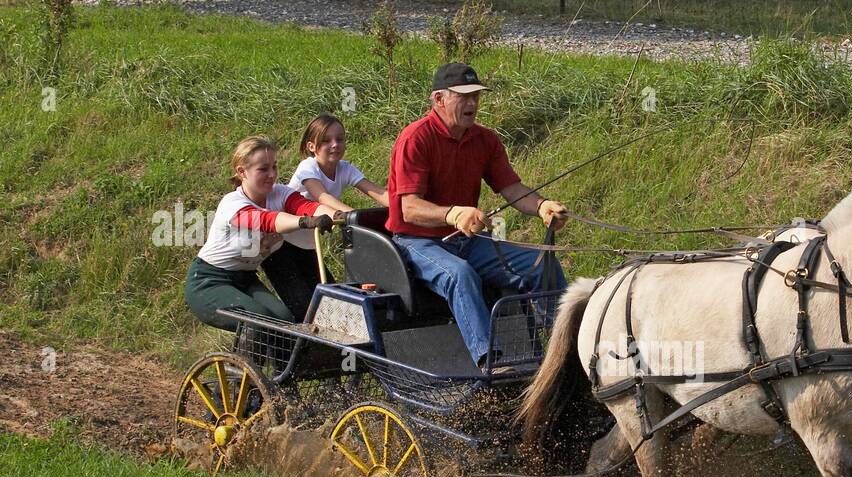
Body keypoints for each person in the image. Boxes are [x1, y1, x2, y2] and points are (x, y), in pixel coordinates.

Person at [386, 62, 569, 368]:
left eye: (476, 96)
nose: (472, 103)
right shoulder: (415, 138)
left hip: (467, 239)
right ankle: (490, 362)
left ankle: (565, 352)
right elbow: (409, 207)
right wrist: (453, 214)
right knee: (460, 275)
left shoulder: (485, 140)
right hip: (416, 241)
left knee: (543, 264)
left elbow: (511, 188)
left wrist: (541, 206)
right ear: (439, 99)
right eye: (464, 96)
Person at [186, 135, 338, 332]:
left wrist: (342, 217)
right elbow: (267, 220)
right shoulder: (232, 204)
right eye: (263, 169)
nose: (272, 174)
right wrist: (305, 222)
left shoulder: (280, 193)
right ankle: (244, 362)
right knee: (261, 323)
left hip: (246, 278)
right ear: (242, 172)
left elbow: (306, 206)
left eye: (274, 166)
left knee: (285, 324)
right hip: (209, 281)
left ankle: (270, 364)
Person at [262, 114, 390, 320]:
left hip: (308, 246)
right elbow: (322, 197)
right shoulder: (308, 167)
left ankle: (329, 351)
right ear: (312, 146)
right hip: (281, 245)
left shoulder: (345, 168)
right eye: (326, 140)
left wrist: (405, 208)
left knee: (331, 305)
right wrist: (354, 217)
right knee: (305, 308)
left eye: (339, 139)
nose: (334, 145)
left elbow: (376, 191)